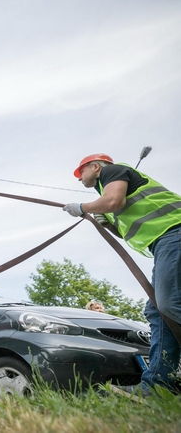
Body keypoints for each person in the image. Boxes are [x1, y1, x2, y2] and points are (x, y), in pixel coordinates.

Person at [64, 153, 181, 397]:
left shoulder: (113, 172)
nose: (79, 178)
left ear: (95, 166)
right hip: (165, 242)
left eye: (81, 172)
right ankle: (159, 387)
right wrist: (107, 223)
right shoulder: (106, 193)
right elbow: (120, 222)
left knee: (169, 305)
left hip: (174, 233)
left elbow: (113, 201)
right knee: (159, 312)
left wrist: (83, 207)